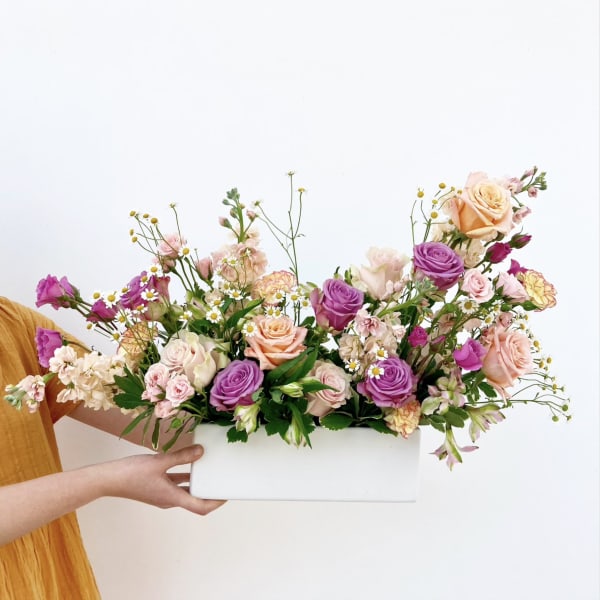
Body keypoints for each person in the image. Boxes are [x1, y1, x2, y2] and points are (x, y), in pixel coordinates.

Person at [0, 296, 225, 598]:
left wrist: (248, 385)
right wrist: (106, 480)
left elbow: (154, 421)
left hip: (45, 580)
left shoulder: (13, 325)